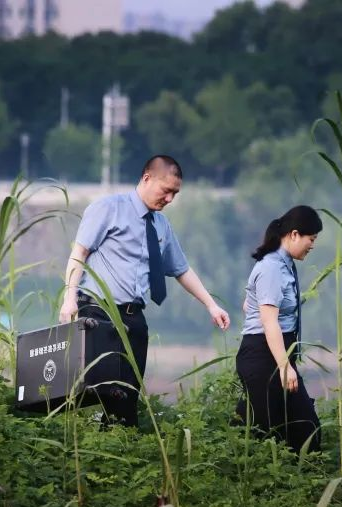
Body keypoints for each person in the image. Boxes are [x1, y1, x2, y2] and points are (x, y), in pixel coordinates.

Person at [59, 155, 230, 426]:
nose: (170, 199)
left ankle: (118, 445)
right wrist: (69, 300)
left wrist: (211, 305)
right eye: (166, 191)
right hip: (100, 312)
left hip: (134, 318)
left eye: (175, 193)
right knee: (101, 390)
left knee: (127, 397)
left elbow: (181, 269)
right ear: (147, 178)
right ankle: (91, 444)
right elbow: (79, 253)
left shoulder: (161, 225)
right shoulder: (109, 208)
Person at [235, 205, 322, 453]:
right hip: (264, 356)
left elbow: (248, 305)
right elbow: (268, 321)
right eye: (311, 239)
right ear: (294, 234)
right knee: (269, 433)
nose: (312, 245)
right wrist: (284, 365)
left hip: (274, 352)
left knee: (303, 427)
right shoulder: (272, 267)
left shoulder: (281, 265)